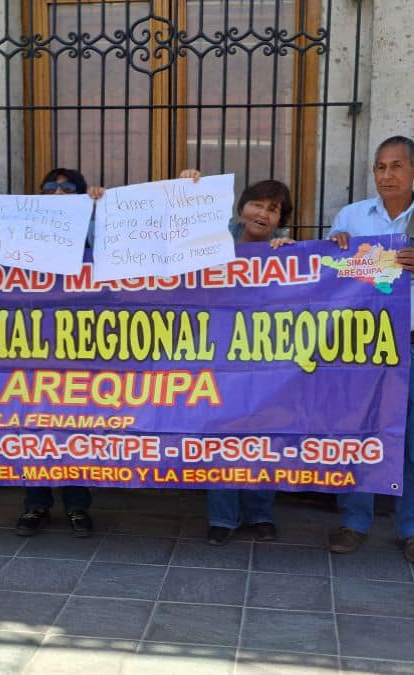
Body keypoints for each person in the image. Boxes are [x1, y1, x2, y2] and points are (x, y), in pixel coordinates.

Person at [0, 168, 105, 537]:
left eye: (69, 188)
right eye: (51, 188)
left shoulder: (92, 230)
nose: (59, 194)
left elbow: (114, 251)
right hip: (27, 344)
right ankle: (36, 506)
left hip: (78, 344)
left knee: (72, 425)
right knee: (33, 422)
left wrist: (100, 210)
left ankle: (77, 506)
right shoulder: (18, 227)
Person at [325, 136, 414, 563]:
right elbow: (328, 279)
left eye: (397, 166)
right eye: (380, 167)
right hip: (361, 347)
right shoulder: (351, 217)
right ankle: (354, 520)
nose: (387, 175)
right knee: (358, 435)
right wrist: (335, 249)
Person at [177, 169, 294, 545]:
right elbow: (172, 232)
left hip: (265, 358)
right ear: (242, 207)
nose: (263, 214)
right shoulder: (213, 239)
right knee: (221, 433)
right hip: (215, 355)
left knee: (264, 434)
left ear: (280, 220)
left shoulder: (284, 251)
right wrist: (188, 188)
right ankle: (223, 517)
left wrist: (293, 255)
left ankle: (260, 513)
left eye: (273, 210)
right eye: (257, 204)